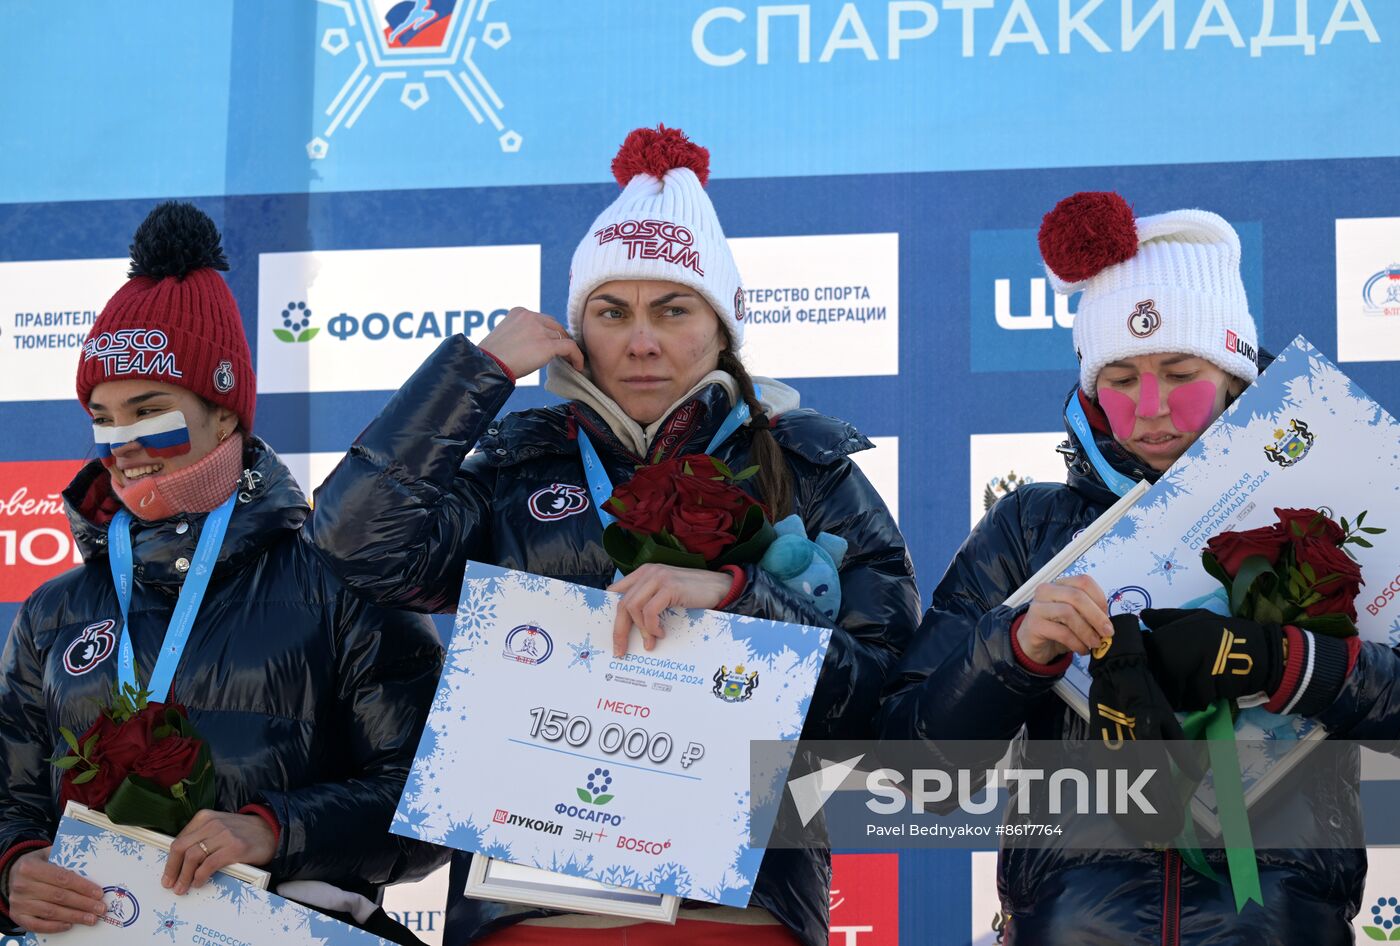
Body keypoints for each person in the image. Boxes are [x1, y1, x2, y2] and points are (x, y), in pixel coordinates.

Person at [311, 125, 920, 946]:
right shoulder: (514, 466)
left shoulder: (807, 471)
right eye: (612, 311)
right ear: (577, 329)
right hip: (522, 913)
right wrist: (475, 374)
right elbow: (357, 542)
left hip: (730, 916)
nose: (640, 340)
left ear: (721, 326)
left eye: (672, 310)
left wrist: (744, 600)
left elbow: (885, 708)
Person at [880, 191, 1383, 944]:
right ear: (1088, 387)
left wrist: (1287, 662)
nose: (1152, 408)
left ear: (1237, 375)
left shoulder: (1334, 504)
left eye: (1181, 372)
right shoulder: (1031, 527)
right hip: (1071, 925)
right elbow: (911, 772)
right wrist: (1014, 653)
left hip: (1282, 923)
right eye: (1120, 379)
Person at [0, 202, 448, 942]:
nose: (124, 444)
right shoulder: (55, 612)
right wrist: (14, 867)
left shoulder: (342, 579)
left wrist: (275, 829)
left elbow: (431, 803)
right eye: (103, 417)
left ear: (226, 415)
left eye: (150, 410)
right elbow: (11, 800)